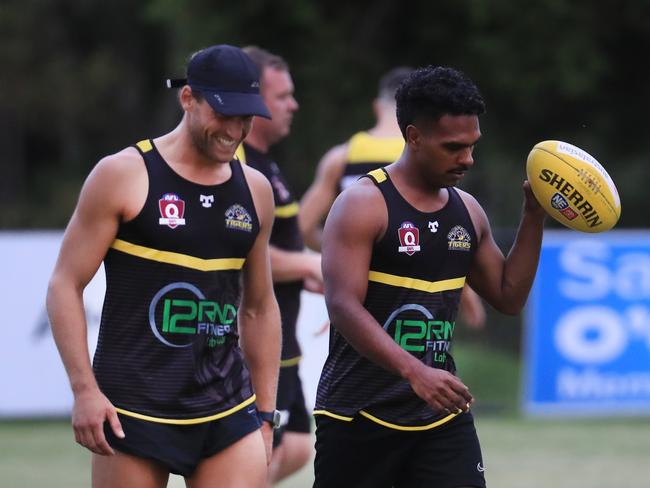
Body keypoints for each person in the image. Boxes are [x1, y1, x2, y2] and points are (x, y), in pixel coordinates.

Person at [46, 44, 282, 488]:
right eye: (224, 113)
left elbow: (259, 308)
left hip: (227, 408)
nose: (235, 130)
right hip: (133, 408)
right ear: (188, 98)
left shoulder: (255, 190)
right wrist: (84, 391)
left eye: (246, 117)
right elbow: (64, 285)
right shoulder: (122, 174)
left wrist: (266, 415)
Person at [313, 66, 546, 487]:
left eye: (473, 146)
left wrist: (534, 215)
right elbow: (343, 306)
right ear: (414, 136)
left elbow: (509, 297)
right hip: (357, 413)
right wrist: (414, 371)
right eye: (454, 147)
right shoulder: (363, 204)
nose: (467, 159)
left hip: (439, 415)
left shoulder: (467, 211)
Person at [299, 66, 486, 328]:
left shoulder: (343, 156)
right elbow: (441, 238)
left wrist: (345, 258)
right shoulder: (422, 154)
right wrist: (468, 295)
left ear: (377, 107)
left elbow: (303, 228)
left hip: (358, 302)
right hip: (416, 308)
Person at [236, 46, 322, 485]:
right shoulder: (240, 162)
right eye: (283, 95)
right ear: (253, 98)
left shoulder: (267, 165)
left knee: (297, 445)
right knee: (269, 452)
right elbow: (246, 254)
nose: (294, 104)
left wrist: (305, 272)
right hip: (253, 339)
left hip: (283, 335)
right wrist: (315, 265)